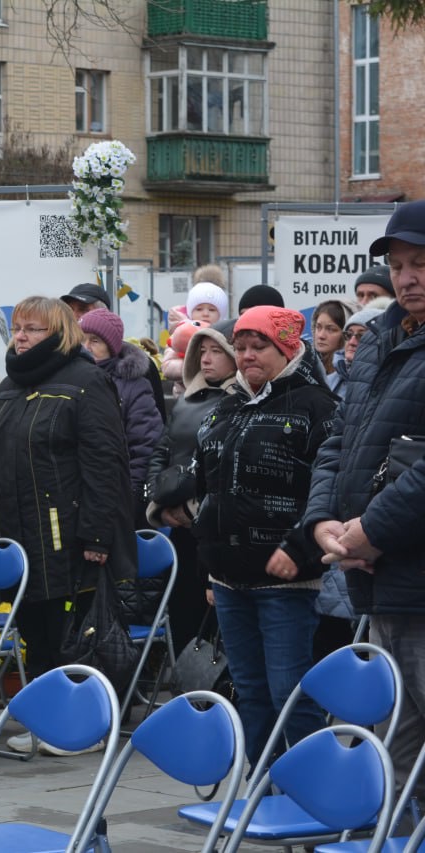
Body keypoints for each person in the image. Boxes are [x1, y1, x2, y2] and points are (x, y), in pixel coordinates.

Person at [0, 296, 135, 755]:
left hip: (69, 538)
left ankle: (80, 728)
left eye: (33, 329)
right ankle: (47, 724)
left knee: (72, 639)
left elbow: (106, 463)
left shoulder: (86, 381)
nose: (20, 336)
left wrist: (98, 534)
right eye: (17, 327)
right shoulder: (9, 385)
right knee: (36, 636)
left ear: (60, 333)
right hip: (19, 539)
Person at [306, 201, 425, 804]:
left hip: (409, 573)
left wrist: (370, 530)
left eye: (422, 263)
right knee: (394, 755)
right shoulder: (378, 340)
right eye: (399, 265)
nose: (408, 277)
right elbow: (338, 438)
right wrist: (324, 521)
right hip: (377, 582)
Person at [195, 306, 339, 766]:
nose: (247, 355)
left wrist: (301, 549)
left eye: (260, 346)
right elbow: (209, 483)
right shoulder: (230, 404)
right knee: (251, 692)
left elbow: (330, 487)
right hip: (229, 579)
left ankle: (313, 792)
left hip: (286, 577)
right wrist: (211, 566)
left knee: (290, 692)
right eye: (240, 347)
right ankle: (262, 791)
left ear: (288, 347)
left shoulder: (316, 405)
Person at [145, 319, 237, 650]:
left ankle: (218, 698)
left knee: (215, 625)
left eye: (216, 351)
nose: (206, 359)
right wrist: (159, 503)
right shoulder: (187, 400)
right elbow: (162, 450)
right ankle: (188, 695)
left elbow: (223, 470)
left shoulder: (239, 402)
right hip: (180, 531)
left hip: (213, 529)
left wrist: (190, 509)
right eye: (202, 351)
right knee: (185, 615)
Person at [79, 309, 163, 523]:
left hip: (118, 498)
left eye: (95, 341)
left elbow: (145, 445)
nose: (86, 347)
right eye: (81, 340)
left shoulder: (133, 386)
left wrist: (130, 496)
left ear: (111, 347)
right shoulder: (72, 380)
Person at [62, 281, 168, 423]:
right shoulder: (58, 361)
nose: (74, 316)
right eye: (69, 310)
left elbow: (156, 425)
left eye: (82, 309)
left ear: (104, 314)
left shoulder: (139, 366)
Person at [162, 282, 228, 395]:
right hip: (186, 395)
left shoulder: (225, 336)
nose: (205, 314)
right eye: (199, 309)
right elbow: (168, 367)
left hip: (218, 395)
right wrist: (194, 367)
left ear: (220, 315)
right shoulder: (180, 335)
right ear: (190, 312)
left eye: (212, 310)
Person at [310, 299, 356, 397]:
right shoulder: (305, 369)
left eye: (331, 329)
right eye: (318, 327)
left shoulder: (353, 377)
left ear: (347, 334)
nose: (321, 335)